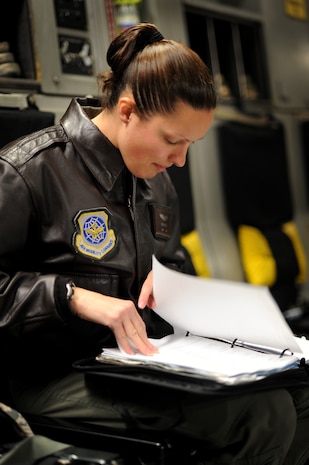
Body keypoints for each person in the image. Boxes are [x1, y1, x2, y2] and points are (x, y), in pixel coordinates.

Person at [0, 22, 309, 465]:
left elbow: (172, 266)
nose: (179, 160)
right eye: (172, 140)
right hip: (50, 375)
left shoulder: (156, 184)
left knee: (299, 394)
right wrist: (71, 297)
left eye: (190, 145)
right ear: (127, 111)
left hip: (139, 362)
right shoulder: (30, 171)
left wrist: (181, 293)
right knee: (262, 416)